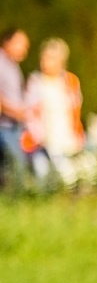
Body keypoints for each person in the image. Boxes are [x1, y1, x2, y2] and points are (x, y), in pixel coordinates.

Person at [24, 38, 88, 187]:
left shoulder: (71, 81)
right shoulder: (36, 82)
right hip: (45, 139)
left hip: (68, 135)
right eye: (43, 58)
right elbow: (31, 114)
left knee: (83, 170)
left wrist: (78, 135)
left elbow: (75, 110)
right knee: (56, 172)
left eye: (50, 58)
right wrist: (39, 137)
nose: (44, 62)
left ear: (61, 61)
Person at [0, 28, 30, 186]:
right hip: (4, 125)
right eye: (21, 44)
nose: (24, 50)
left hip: (14, 126)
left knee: (8, 167)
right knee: (16, 164)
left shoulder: (13, 66)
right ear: (7, 41)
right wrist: (16, 111)